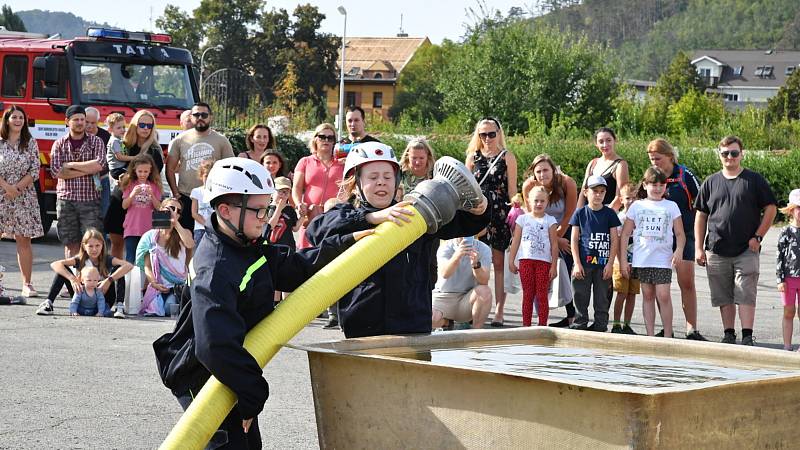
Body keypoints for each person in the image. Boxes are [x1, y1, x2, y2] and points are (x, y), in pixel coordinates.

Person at [153, 157, 365, 448]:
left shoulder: (245, 245)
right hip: (200, 375)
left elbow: (294, 267)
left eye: (267, 208)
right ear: (225, 210)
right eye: (259, 210)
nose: (266, 217)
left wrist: (349, 241)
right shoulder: (215, 269)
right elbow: (214, 346)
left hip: (232, 371)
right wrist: (253, 394)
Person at [307, 142, 490, 338]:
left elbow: (466, 224)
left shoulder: (415, 214)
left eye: (388, 176)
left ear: (397, 180)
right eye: (373, 177)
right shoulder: (348, 215)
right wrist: (369, 218)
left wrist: (480, 210)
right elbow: (316, 230)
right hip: (363, 326)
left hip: (413, 325)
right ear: (354, 184)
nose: (381, 182)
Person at [695, 135, 777, 346]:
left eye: (734, 153)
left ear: (742, 154)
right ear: (719, 155)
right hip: (717, 247)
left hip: (746, 248)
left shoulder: (754, 180)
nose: (729, 157)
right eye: (725, 153)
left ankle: (747, 335)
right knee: (723, 295)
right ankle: (729, 333)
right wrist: (698, 247)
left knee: (745, 293)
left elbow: (771, 208)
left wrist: (758, 237)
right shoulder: (710, 182)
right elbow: (701, 215)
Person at [647, 138, 707, 340]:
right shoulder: (652, 176)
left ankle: (691, 328)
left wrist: (700, 240)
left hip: (686, 234)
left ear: (670, 156)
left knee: (686, 282)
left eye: (658, 158)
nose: (654, 162)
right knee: (660, 286)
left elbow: (701, 206)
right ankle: (667, 328)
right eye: (651, 159)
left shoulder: (685, 175)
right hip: (659, 238)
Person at [620, 168, 685, 338]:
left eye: (661, 185)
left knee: (663, 295)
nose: (657, 188)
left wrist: (679, 250)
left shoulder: (671, 206)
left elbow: (680, 233)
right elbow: (626, 233)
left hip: (663, 259)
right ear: (645, 185)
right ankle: (649, 335)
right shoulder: (637, 205)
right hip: (642, 259)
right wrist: (623, 260)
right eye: (653, 184)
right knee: (647, 295)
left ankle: (668, 334)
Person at [465, 117, 517, 327]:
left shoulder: (507, 157)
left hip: (499, 214)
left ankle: (499, 311)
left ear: (499, 133)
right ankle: (475, 308)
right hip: (478, 213)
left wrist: (518, 206)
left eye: (491, 133)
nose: (487, 138)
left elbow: (512, 190)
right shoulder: (472, 157)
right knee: (475, 261)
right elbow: (466, 189)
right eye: (483, 134)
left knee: (498, 264)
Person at [521, 154, 578, 327]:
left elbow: (570, 213)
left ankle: (571, 316)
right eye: (538, 171)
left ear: (553, 170)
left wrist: (559, 237)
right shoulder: (529, 186)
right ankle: (540, 319)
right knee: (540, 275)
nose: (542, 174)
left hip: (564, 228)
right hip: (540, 232)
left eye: (546, 170)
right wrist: (553, 239)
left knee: (565, 272)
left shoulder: (567, 183)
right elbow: (533, 217)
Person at [104, 110, 163, 259]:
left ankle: (141, 280)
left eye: (149, 125)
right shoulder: (123, 144)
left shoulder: (155, 150)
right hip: (122, 196)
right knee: (116, 241)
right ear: (134, 125)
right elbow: (112, 166)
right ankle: (118, 278)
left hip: (145, 201)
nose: (145, 128)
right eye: (142, 124)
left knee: (145, 247)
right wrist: (118, 176)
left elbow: (155, 177)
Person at [166, 102, 235, 231]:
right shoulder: (179, 140)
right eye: (196, 115)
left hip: (211, 197)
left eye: (204, 115)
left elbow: (230, 168)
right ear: (191, 117)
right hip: (186, 196)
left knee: (211, 236)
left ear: (210, 117)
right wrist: (175, 192)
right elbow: (169, 168)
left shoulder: (221, 140)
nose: (200, 118)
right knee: (185, 238)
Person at [50, 105, 107, 261]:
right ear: (67, 121)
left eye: (82, 119)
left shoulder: (96, 142)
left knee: (93, 243)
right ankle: (72, 280)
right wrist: (87, 169)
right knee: (70, 243)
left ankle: (91, 280)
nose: (81, 123)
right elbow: (56, 172)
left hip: (89, 200)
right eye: (76, 120)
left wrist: (70, 165)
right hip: (66, 200)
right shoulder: (59, 144)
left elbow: (99, 165)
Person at [36, 227, 133, 317]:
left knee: (119, 269)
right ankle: (48, 303)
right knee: (62, 270)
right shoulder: (80, 259)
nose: (94, 249)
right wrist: (72, 279)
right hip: (82, 297)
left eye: (97, 245)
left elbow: (128, 265)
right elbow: (55, 264)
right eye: (90, 246)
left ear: (102, 245)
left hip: (103, 298)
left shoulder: (107, 259)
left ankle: (120, 307)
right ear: (84, 246)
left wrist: (108, 280)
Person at [0, 106, 44, 298]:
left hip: (24, 196)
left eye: (21, 117)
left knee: (23, 240)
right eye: (14, 117)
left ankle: (27, 283)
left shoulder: (30, 142)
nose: (18, 120)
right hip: (2, 192)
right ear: (7, 120)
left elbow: (35, 169)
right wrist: (6, 187)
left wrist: (17, 188)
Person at [569, 175, 620, 332]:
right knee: (580, 297)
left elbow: (614, 240)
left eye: (602, 191)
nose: (598, 195)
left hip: (603, 265)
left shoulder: (610, 214)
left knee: (601, 299)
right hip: (583, 264)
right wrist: (577, 263)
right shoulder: (580, 213)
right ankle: (580, 324)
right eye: (594, 191)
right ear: (585, 192)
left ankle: (600, 327)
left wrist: (610, 263)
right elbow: (574, 239)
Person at [509, 185, 559, 326]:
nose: (539, 204)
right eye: (536, 200)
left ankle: (542, 325)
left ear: (547, 202)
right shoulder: (522, 219)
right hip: (525, 262)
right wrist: (511, 260)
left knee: (542, 295)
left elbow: (554, 245)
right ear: (529, 201)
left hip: (544, 263)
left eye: (542, 201)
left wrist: (553, 266)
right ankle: (526, 325)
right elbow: (516, 241)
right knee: (528, 294)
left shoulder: (551, 221)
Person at [135, 198, 192, 317]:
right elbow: (147, 266)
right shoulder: (150, 237)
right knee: (155, 310)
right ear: (161, 210)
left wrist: (175, 224)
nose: (173, 212)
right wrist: (154, 283)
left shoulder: (184, 233)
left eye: (177, 210)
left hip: (178, 286)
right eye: (169, 208)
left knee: (169, 309)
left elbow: (190, 244)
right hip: (158, 286)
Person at [431, 236, 493, 330]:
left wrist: (475, 265)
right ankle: (447, 323)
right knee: (429, 319)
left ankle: (476, 334)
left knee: (485, 291)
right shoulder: (446, 247)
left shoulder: (484, 249)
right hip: (444, 296)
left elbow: (484, 281)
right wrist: (457, 255)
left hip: (466, 298)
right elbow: (445, 274)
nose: (465, 236)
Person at [121, 154, 163, 263]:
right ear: (135, 170)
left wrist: (151, 195)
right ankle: (128, 280)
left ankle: (146, 280)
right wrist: (133, 194)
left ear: (150, 171)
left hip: (149, 228)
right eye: (140, 171)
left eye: (146, 171)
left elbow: (159, 207)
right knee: (131, 258)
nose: (143, 174)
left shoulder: (154, 185)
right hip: (132, 228)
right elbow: (124, 205)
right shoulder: (130, 184)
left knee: (147, 259)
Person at [577, 127, 629, 211]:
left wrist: (603, 217)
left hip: (608, 214)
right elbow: (583, 193)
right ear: (596, 144)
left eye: (608, 140)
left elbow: (620, 196)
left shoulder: (620, 165)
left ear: (615, 141)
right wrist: (578, 214)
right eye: (601, 142)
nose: (605, 145)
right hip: (588, 213)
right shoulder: (593, 163)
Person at [611, 183, 639, 334]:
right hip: (621, 261)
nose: (631, 201)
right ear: (621, 200)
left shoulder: (640, 218)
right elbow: (616, 242)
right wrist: (620, 262)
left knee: (632, 293)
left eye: (634, 198)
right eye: (628, 198)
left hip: (636, 262)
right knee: (621, 293)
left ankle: (627, 324)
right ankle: (616, 323)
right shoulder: (619, 218)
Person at [777, 189, 800, 351]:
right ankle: (787, 346)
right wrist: (780, 279)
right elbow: (779, 257)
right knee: (789, 312)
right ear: (791, 210)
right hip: (789, 278)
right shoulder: (785, 232)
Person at [85, 107, 112, 216]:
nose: (89, 125)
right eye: (87, 122)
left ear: (98, 122)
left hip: (102, 179)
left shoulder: (106, 136)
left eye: (93, 123)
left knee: (103, 213)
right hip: (83, 181)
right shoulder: (78, 135)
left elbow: (111, 158)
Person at [266, 177, 300, 247]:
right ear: (272, 192)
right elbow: (269, 226)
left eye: (286, 192)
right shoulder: (267, 208)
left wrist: (302, 216)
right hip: (271, 246)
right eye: (280, 191)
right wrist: (279, 208)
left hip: (288, 245)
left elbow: (295, 228)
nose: (283, 195)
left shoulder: (289, 209)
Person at [190, 159, 214, 246]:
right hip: (200, 228)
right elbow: (194, 213)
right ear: (201, 176)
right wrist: (206, 224)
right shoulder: (196, 191)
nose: (208, 179)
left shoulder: (217, 192)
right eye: (206, 176)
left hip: (215, 229)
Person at [105, 113, 130, 183]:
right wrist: (134, 157)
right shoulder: (114, 141)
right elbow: (120, 157)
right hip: (117, 170)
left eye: (124, 127)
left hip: (121, 167)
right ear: (110, 130)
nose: (122, 130)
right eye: (119, 128)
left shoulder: (119, 139)